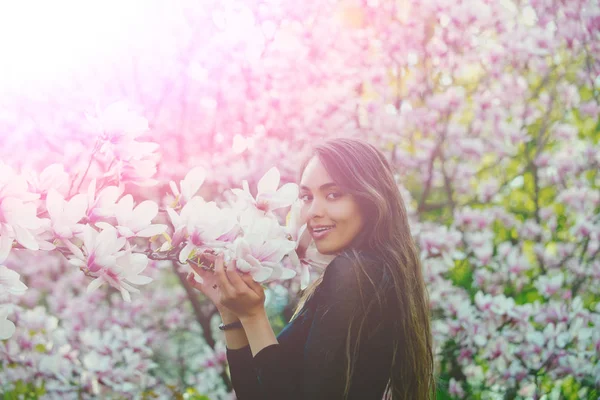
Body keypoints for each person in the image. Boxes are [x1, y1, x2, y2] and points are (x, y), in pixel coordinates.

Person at [187, 138, 436, 399]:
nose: (312, 212)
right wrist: (233, 314)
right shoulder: (368, 274)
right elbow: (253, 394)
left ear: (370, 199)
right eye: (306, 197)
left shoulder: (356, 274)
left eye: (333, 194)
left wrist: (253, 316)